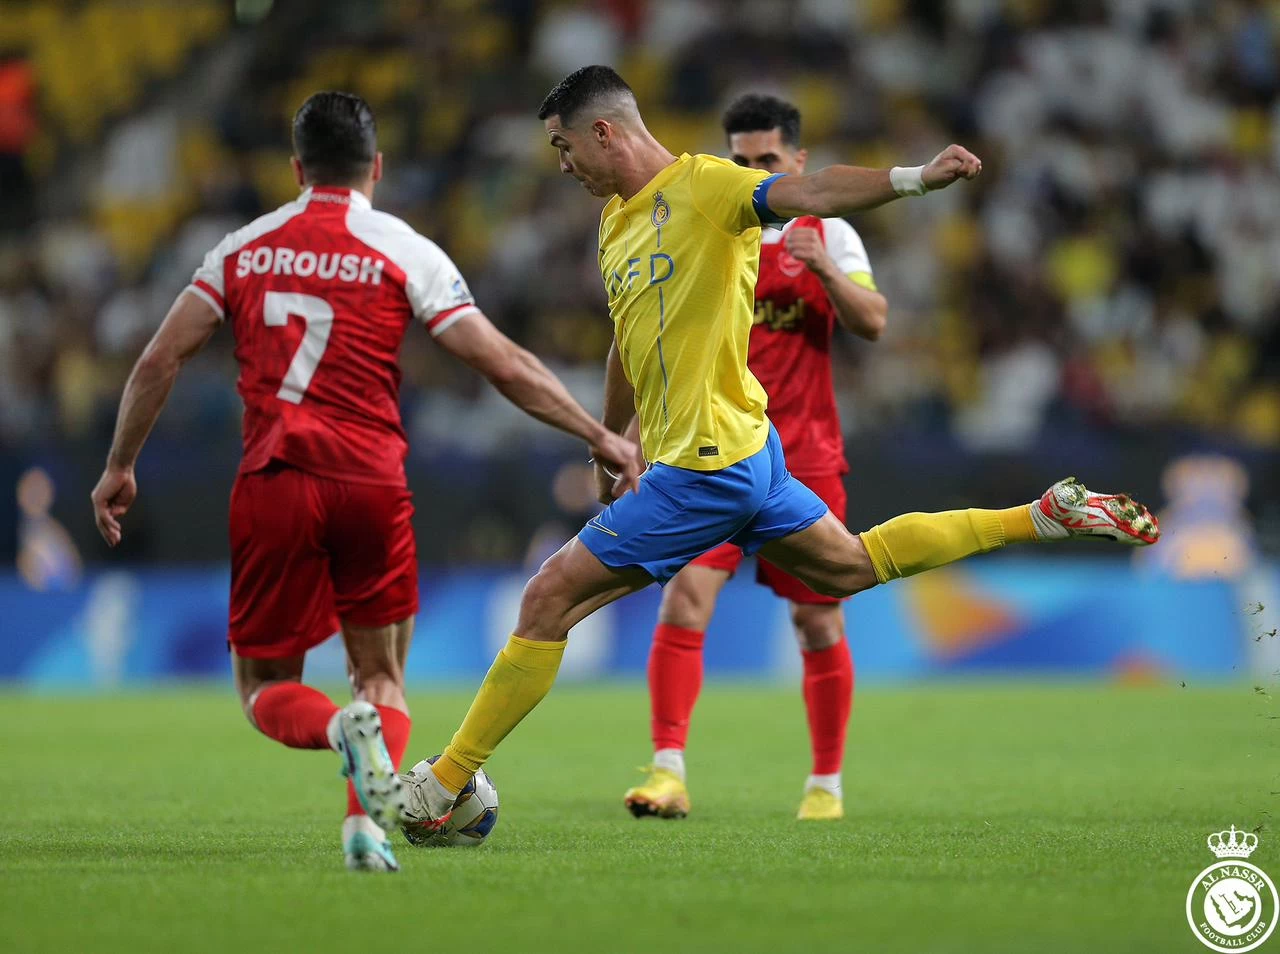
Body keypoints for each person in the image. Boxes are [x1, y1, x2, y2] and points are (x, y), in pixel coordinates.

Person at [400, 66, 1159, 834]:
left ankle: (446, 785)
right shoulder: (615, 223)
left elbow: (816, 193)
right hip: (746, 453)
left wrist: (918, 179)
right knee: (851, 566)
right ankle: (1040, 517)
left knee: (547, 598)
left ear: (603, 132)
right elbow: (626, 346)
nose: (562, 165)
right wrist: (609, 442)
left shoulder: (711, 186)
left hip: (707, 467)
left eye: (564, 146)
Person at [89, 91, 640, 873]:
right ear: (376, 168)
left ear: (295, 169)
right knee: (381, 675)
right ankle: (365, 830)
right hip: (371, 484)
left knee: (264, 683)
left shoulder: (244, 248)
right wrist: (598, 435)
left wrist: (119, 465)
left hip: (274, 480)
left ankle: (333, 734)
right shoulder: (402, 248)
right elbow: (500, 362)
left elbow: (158, 360)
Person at [624, 94, 887, 824]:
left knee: (818, 623)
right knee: (685, 598)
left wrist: (826, 272)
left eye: (766, 160)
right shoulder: (706, 229)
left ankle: (825, 786)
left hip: (804, 458)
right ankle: (667, 771)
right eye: (739, 160)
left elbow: (874, 321)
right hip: (715, 450)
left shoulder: (826, 231)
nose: (752, 171)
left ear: (797, 162)